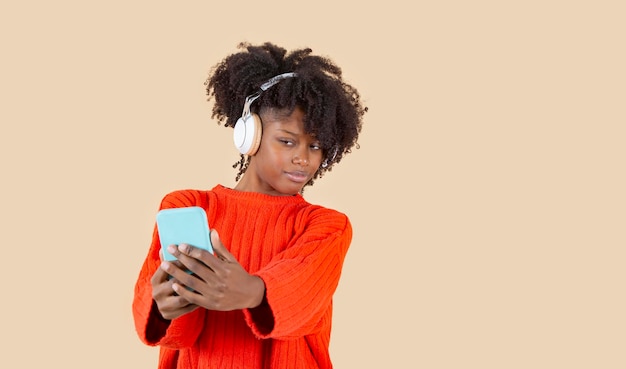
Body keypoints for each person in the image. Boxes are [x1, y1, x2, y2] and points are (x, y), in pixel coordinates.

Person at [132, 41, 368, 369]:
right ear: (250, 136)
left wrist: (251, 290)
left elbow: (301, 297)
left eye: (315, 146)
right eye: (287, 141)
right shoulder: (187, 205)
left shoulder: (325, 225)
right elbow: (176, 334)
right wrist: (164, 307)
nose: (303, 158)